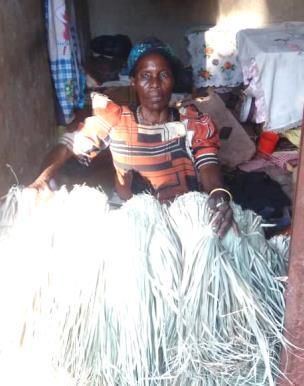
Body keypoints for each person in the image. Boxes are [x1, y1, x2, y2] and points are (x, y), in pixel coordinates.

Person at [30, 38, 234, 237]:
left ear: (173, 81)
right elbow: (68, 145)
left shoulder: (191, 122)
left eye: (163, 75)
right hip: (130, 222)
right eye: (146, 76)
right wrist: (41, 180)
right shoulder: (116, 119)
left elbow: (208, 166)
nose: (155, 84)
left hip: (183, 220)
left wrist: (218, 193)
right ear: (133, 82)